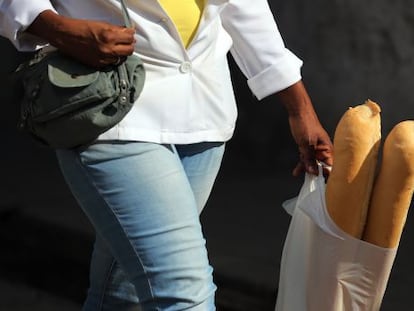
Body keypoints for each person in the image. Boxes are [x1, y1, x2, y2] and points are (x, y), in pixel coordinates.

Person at [0, 0, 333, 310]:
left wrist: (298, 107)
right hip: (108, 104)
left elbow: (244, 6)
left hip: (203, 109)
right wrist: (58, 28)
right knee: (185, 294)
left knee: (122, 293)